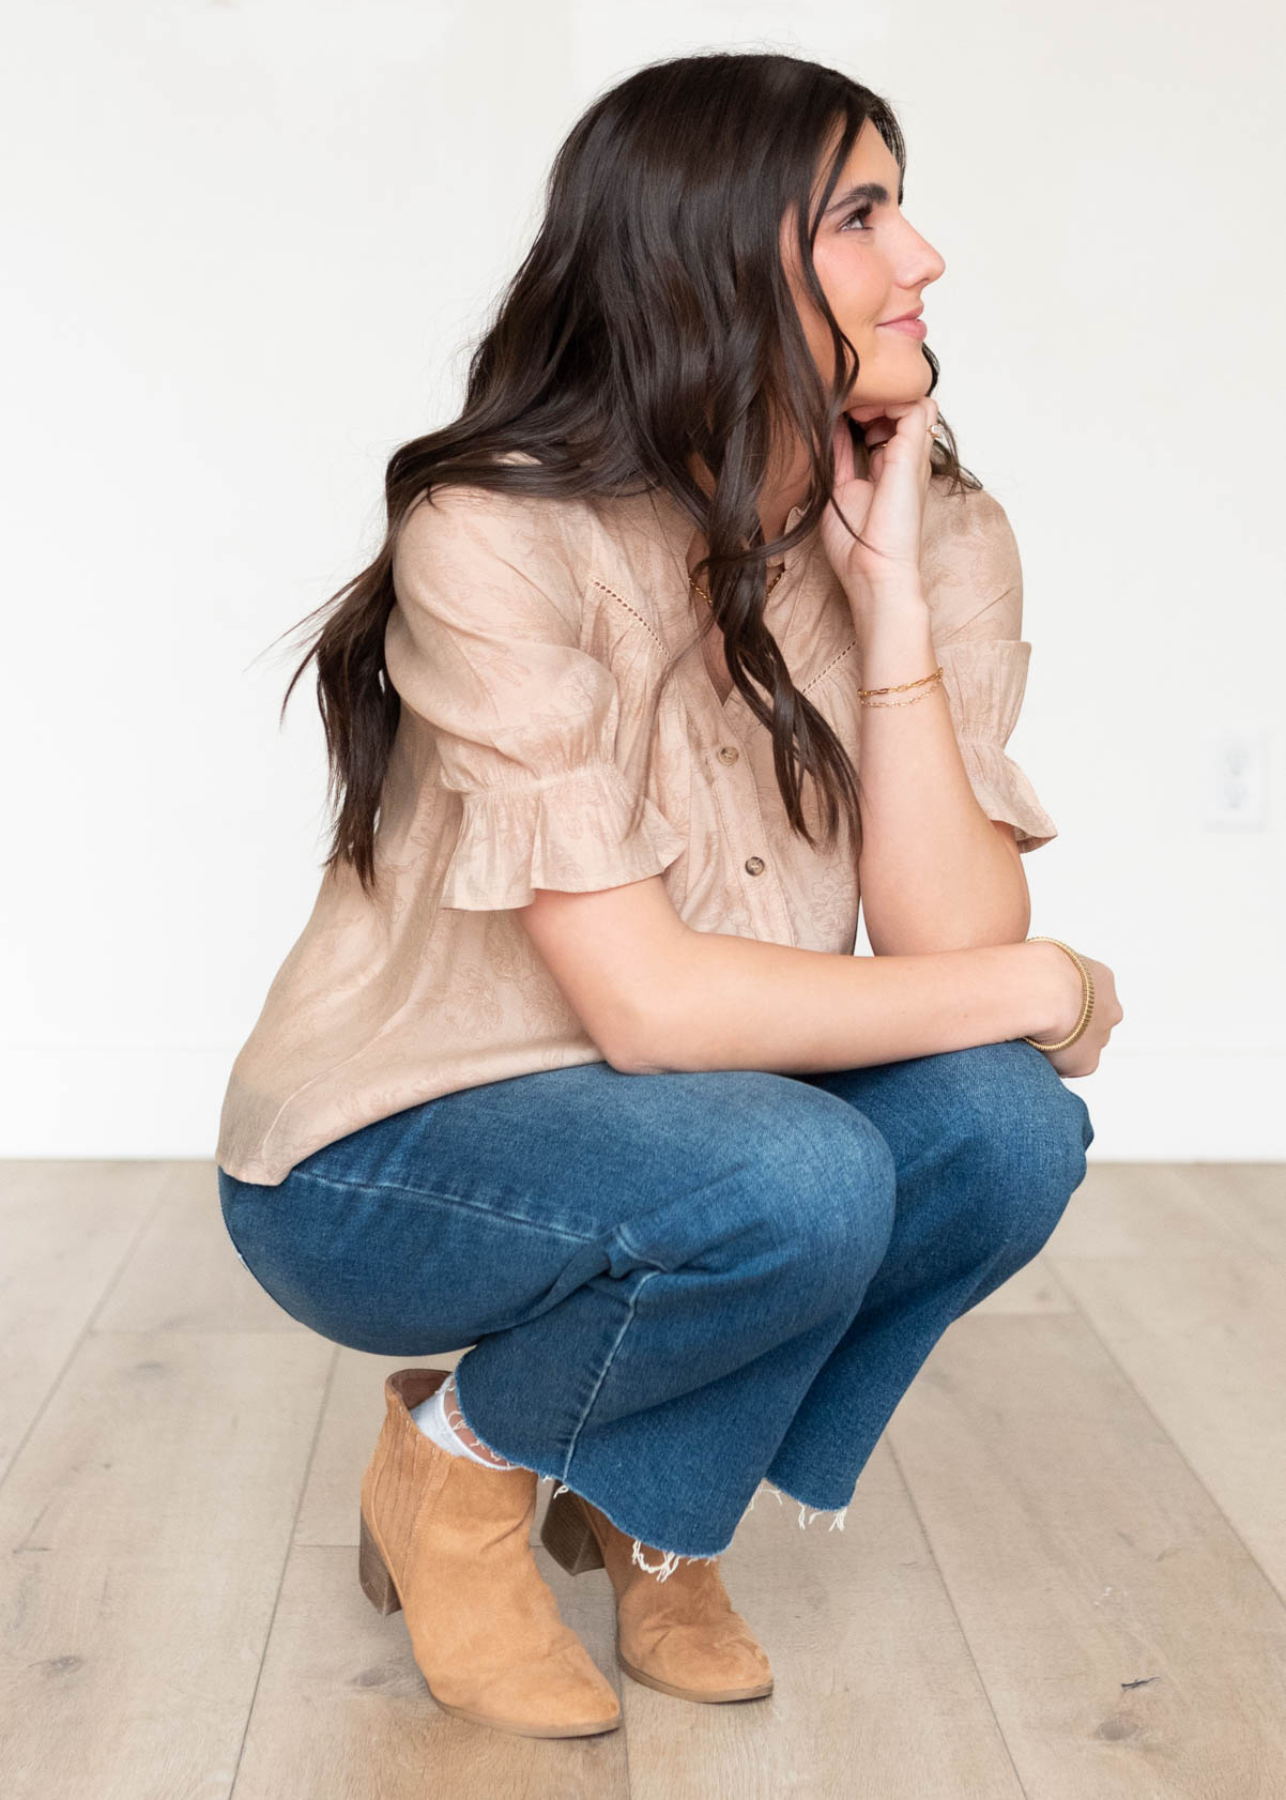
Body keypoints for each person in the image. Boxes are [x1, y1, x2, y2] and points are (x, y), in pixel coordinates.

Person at [215, 50, 1122, 1742]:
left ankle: (647, 1497)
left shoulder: (937, 528)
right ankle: (458, 1471)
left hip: (708, 1118)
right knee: (801, 1169)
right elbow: (654, 1005)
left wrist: (890, 609)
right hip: (390, 1158)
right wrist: (1047, 983)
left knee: (1002, 1134)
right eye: (860, 213)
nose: (921, 256)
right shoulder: (491, 531)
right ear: (712, 256)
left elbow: (941, 942)